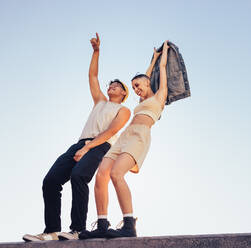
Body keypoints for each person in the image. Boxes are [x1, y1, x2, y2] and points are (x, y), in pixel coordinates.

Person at [23, 33, 131, 242]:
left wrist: (88, 148)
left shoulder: (123, 109)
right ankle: (52, 231)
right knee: (51, 181)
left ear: (124, 93)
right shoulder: (100, 101)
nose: (112, 86)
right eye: (111, 85)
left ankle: (77, 230)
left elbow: (110, 132)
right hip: (80, 143)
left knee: (79, 176)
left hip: (101, 146)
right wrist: (96, 52)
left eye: (117, 86)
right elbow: (92, 77)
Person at [79, 41, 170, 239]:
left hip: (140, 136)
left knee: (117, 174)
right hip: (124, 137)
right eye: (133, 87)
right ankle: (102, 224)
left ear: (147, 83)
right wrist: (152, 58)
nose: (136, 89)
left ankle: (129, 225)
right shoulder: (141, 100)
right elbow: (146, 74)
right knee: (102, 173)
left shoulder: (159, 97)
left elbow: (160, 70)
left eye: (138, 85)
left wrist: (162, 57)